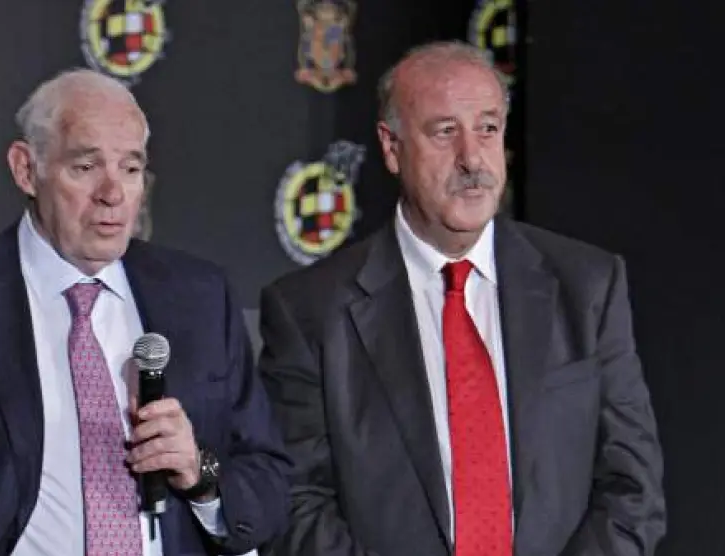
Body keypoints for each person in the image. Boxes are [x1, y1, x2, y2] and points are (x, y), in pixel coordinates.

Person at [257, 41, 666, 556]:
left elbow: (632, 490)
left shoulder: (587, 286)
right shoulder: (310, 311)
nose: (472, 158)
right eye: (445, 132)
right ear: (391, 147)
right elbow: (296, 502)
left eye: (488, 128)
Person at [0, 69, 290, 555]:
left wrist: (199, 473)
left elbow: (269, 482)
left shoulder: (200, 297)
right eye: (85, 167)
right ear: (26, 169)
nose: (113, 193)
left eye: (130, 169)